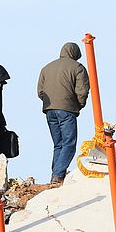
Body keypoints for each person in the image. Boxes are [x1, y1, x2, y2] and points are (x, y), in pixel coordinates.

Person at [37, 42, 90, 185]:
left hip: (49, 110)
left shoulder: (46, 68)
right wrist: (78, 105)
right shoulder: (78, 68)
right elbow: (82, 91)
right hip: (67, 109)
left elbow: (40, 91)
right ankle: (58, 175)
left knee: (58, 144)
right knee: (69, 143)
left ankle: (56, 175)